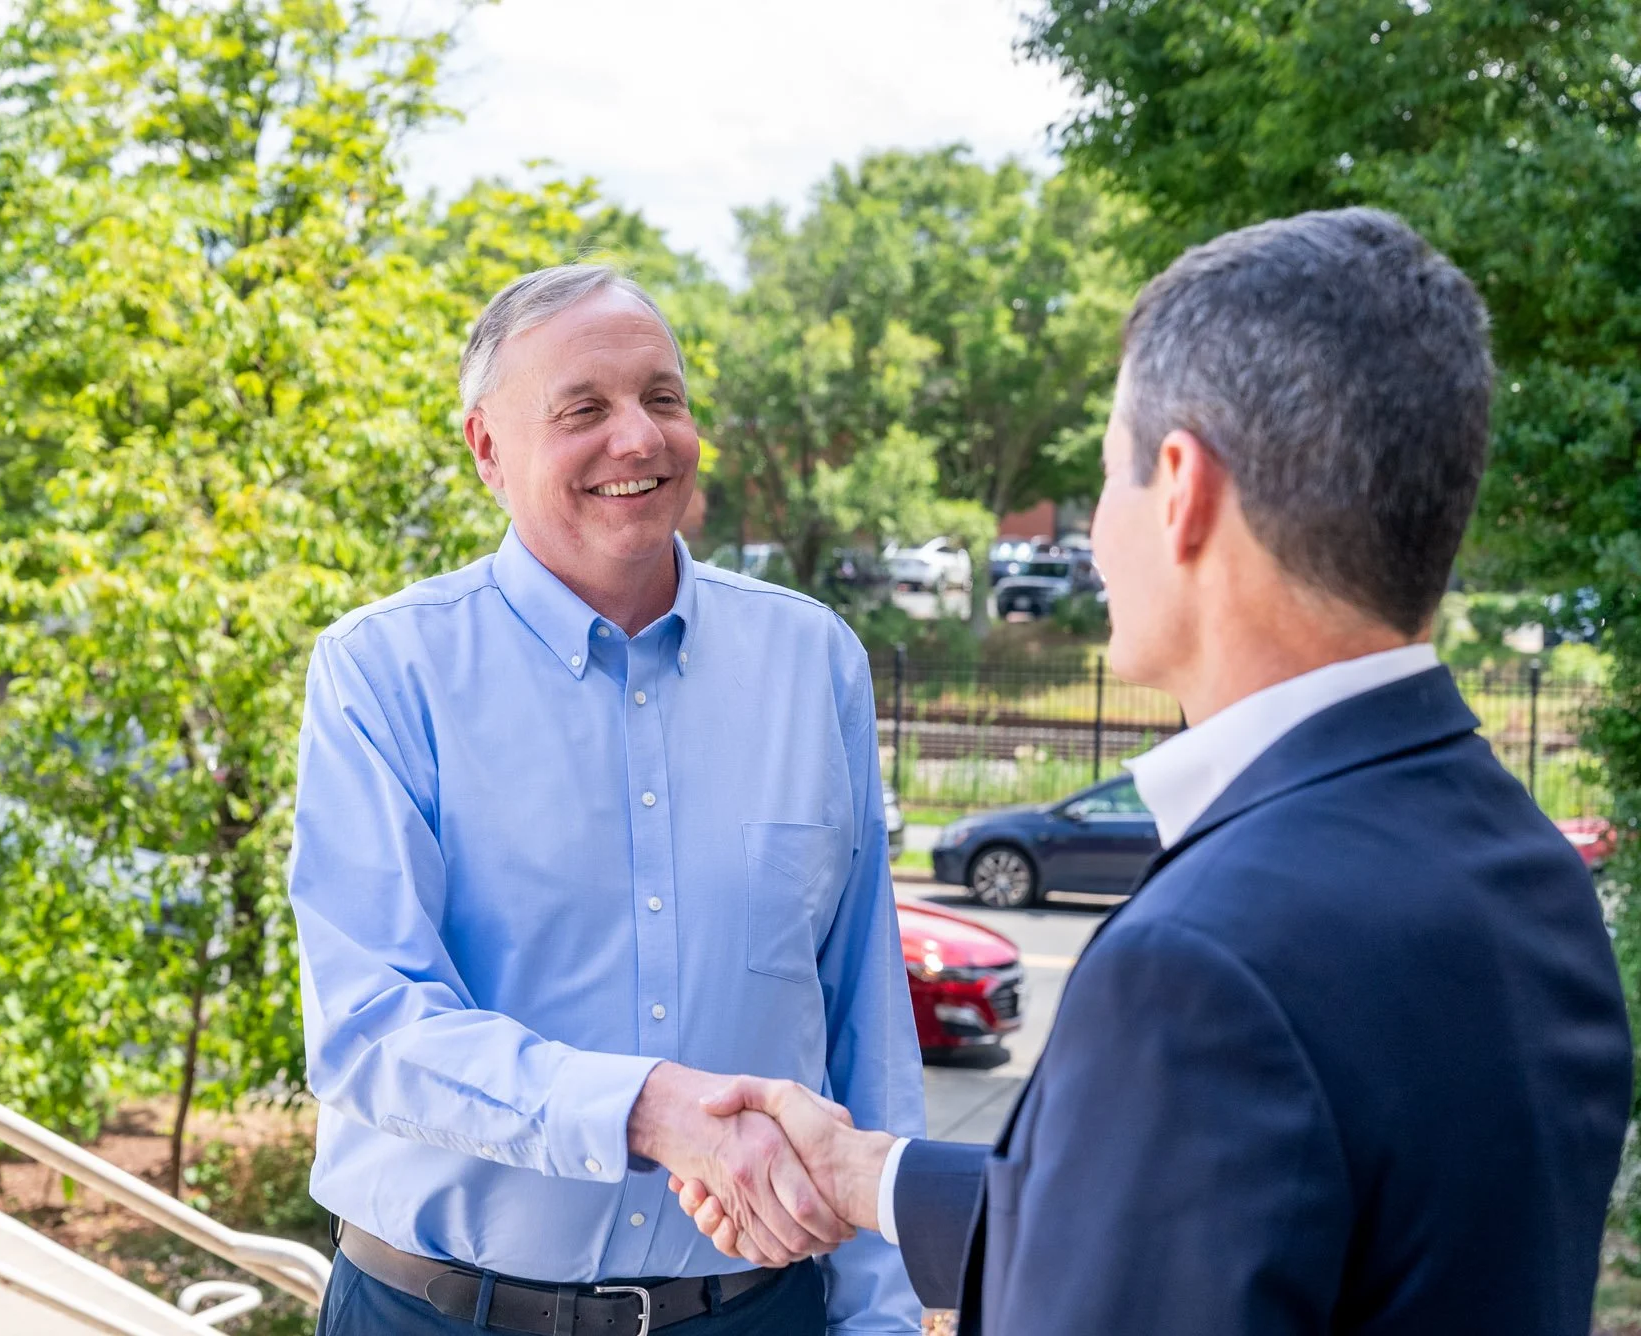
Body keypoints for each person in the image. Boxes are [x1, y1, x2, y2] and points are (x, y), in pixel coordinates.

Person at [671, 208, 1633, 1334]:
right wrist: (870, 1175)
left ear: (1178, 488)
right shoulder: (1525, 863)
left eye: (1104, 477)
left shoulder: (1201, 966)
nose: (1088, 529)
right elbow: (1244, 1225)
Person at [288, 263, 926, 1334]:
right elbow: (369, 1027)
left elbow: (864, 1020)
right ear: (486, 449)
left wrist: (881, 1316)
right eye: (583, 409)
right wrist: (645, 1112)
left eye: (661, 398)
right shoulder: (384, 671)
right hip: (439, 1313)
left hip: (755, 1315)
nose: (639, 438)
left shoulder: (811, 659)